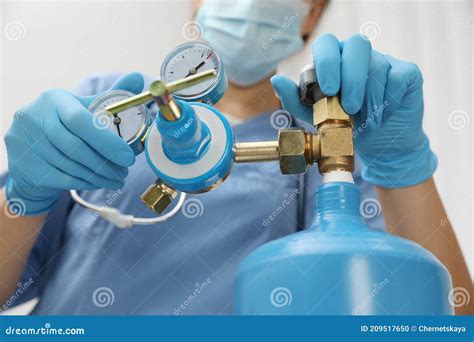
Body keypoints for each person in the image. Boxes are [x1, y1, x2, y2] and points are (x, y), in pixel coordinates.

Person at [1, 0, 472, 315]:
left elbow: (444, 313)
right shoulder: (109, 107)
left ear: (312, 13)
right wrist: (25, 197)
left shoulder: (336, 145)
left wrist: (403, 168)